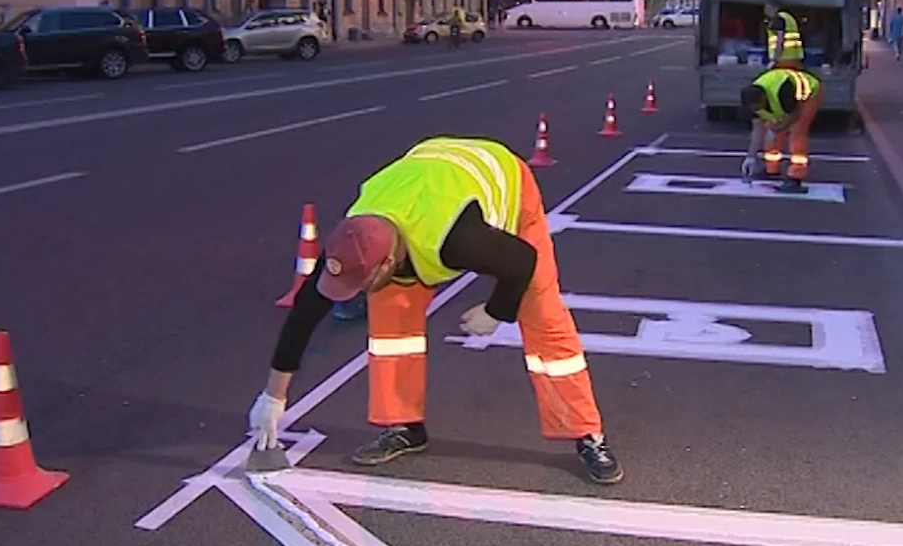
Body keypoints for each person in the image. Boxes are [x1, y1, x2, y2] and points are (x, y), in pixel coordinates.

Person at [247, 136, 624, 485]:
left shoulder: (457, 241)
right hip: (424, 176)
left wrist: (496, 312)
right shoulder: (354, 240)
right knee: (391, 318)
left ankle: (588, 434)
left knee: (543, 314)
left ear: (388, 262)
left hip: (504, 182)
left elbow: (522, 260)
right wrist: (273, 398)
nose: (351, 295)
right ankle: (405, 427)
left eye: (359, 284)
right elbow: (304, 313)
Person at [739, 68, 823, 194]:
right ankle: (771, 169)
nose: (757, 109)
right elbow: (757, 129)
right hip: (783, 101)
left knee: (797, 132)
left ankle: (795, 177)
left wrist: (777, 129)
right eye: (754, 108)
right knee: (771, 131)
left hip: (809, 94)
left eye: (758, 106)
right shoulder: (750, 101)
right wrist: (750, 157)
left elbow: (795, 114)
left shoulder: (783, 90)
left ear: (763, 98)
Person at [765, 0, 805, 69]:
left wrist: (774, 60)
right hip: (795, 59)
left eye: (767, 9)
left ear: (774, 8)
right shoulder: (789, 18)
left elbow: (780, 40)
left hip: (782, 60)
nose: (766, 12)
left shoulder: (778, 19)